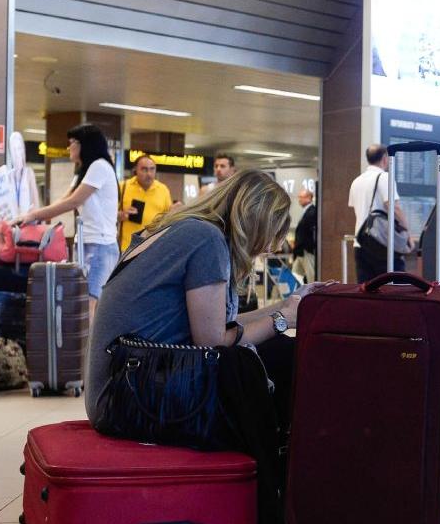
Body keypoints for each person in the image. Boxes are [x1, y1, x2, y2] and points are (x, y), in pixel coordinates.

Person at [85, 169, 331, 426]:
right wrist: (281, 320)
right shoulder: (206, 239)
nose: (272, 247)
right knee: (282, 356)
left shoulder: (186, 229)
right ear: (254, 221)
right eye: (271, 233)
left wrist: (286, 305)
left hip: (123, 385)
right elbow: (213, 342)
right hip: (127, 399)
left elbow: (222, 325)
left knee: (274, 351)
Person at [18, 124, 120, 318]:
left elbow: (74, 201)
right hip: (86, 243)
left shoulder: (99, 166)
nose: (69, 147)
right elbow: (65, 200)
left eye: (72, 142)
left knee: (89, 304)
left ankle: (88, 340)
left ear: (85, 145)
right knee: (83, 303)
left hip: (100, 245)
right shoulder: (84, 171)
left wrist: (35, 216)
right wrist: (35, 216)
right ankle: (84, 339)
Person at [348, 144, 409, 282]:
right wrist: (406, 231)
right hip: (383, 245)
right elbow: (394, 207)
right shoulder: (384, 177)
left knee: (367, 290)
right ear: (385, 158)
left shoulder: (356, 181)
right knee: (394, 289)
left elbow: (356, 210)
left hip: (361, 245)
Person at [118, 155, 173, 252]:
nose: (149, 173)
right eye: (144, 169)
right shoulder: (123, 187)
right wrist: (121, 215)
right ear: (136, 170)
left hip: (153, 246)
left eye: (152, 169)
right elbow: (108, 215)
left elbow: (168, 219)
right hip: (127, 247)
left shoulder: (163, 190)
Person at [292, 188, 317, 284]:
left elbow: (310, 232)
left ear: (309, 198)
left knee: (311, 277)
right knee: (295, 275)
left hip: (307, 251)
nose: (299, 200)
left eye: (301, 197)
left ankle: (313, 293)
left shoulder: (312, 212)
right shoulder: (306, 212)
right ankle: (298, 292)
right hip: (300, 251)